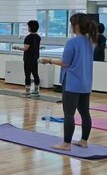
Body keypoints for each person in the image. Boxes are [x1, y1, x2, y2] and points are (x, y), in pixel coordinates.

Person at [41, 14, 96, 151]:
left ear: (76, 26)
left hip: (72, 82)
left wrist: (49, 60)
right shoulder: (91, 42)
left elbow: (65, 62)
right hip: (85, 83)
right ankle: (84, 141)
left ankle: (66, 143)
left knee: (69, 113)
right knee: (85, 113)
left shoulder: (72, 42)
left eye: (72, 24)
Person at [13, 20, 41, 97]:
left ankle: (27, 92)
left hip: (28, 58)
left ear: (30, 27)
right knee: (35, 74)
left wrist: (17, 48)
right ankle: (36, 91)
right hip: (35, 58)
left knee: (27, 75)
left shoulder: (28, 37)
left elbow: (26, 48)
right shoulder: (38, 37)